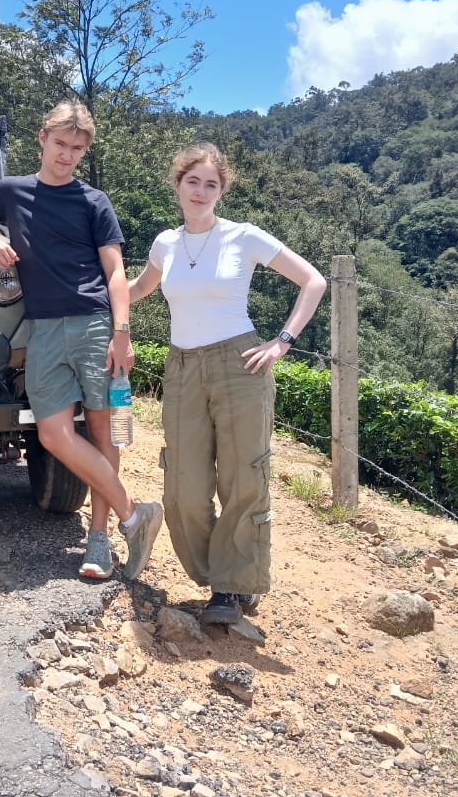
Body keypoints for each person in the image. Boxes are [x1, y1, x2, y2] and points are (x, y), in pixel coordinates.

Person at [0, 101, 164, 581]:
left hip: (94, 325)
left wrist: (123, 332)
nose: (67, 155)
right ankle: (137, 516)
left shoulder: (94, 202)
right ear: (43, 137)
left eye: (77, 148)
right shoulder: (11, 191)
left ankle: (100, 540)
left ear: (84, 152)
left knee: (104, 434)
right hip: (42, 328)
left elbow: (114, 272)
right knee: (52, 434)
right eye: (61, 144)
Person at [128, 142, 327, 624]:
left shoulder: (244, 237)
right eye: (192, 181)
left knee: (243, 478)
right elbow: (136, 290)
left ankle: (231, 586)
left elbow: (313, 281)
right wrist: (94, 301)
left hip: (241, 365)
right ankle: (218, 572)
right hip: (181, 368)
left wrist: (282, 341)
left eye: (211, 184)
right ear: (177, 184)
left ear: (222, 190)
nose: (200, 191)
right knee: (184, 487)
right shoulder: (165, 244)